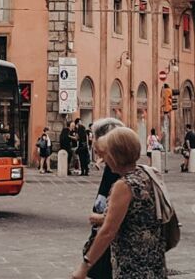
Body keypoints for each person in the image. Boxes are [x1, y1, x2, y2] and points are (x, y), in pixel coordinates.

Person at [73, 127, 166, 279]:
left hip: (133, 266)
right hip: (153, 262)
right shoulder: (147, 175)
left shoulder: (124, 185)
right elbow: (137, 216)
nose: (104, 159)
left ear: (116, 155)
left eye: (107, 153)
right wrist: (102, 218)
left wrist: (84, 266)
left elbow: (108, 231)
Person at [83, 118, 125, 279]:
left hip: (119, 256)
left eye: (99, 149)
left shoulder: (123, 178)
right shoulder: (112, 167)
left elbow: (112, 225)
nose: (96, 151)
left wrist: (85, 265)